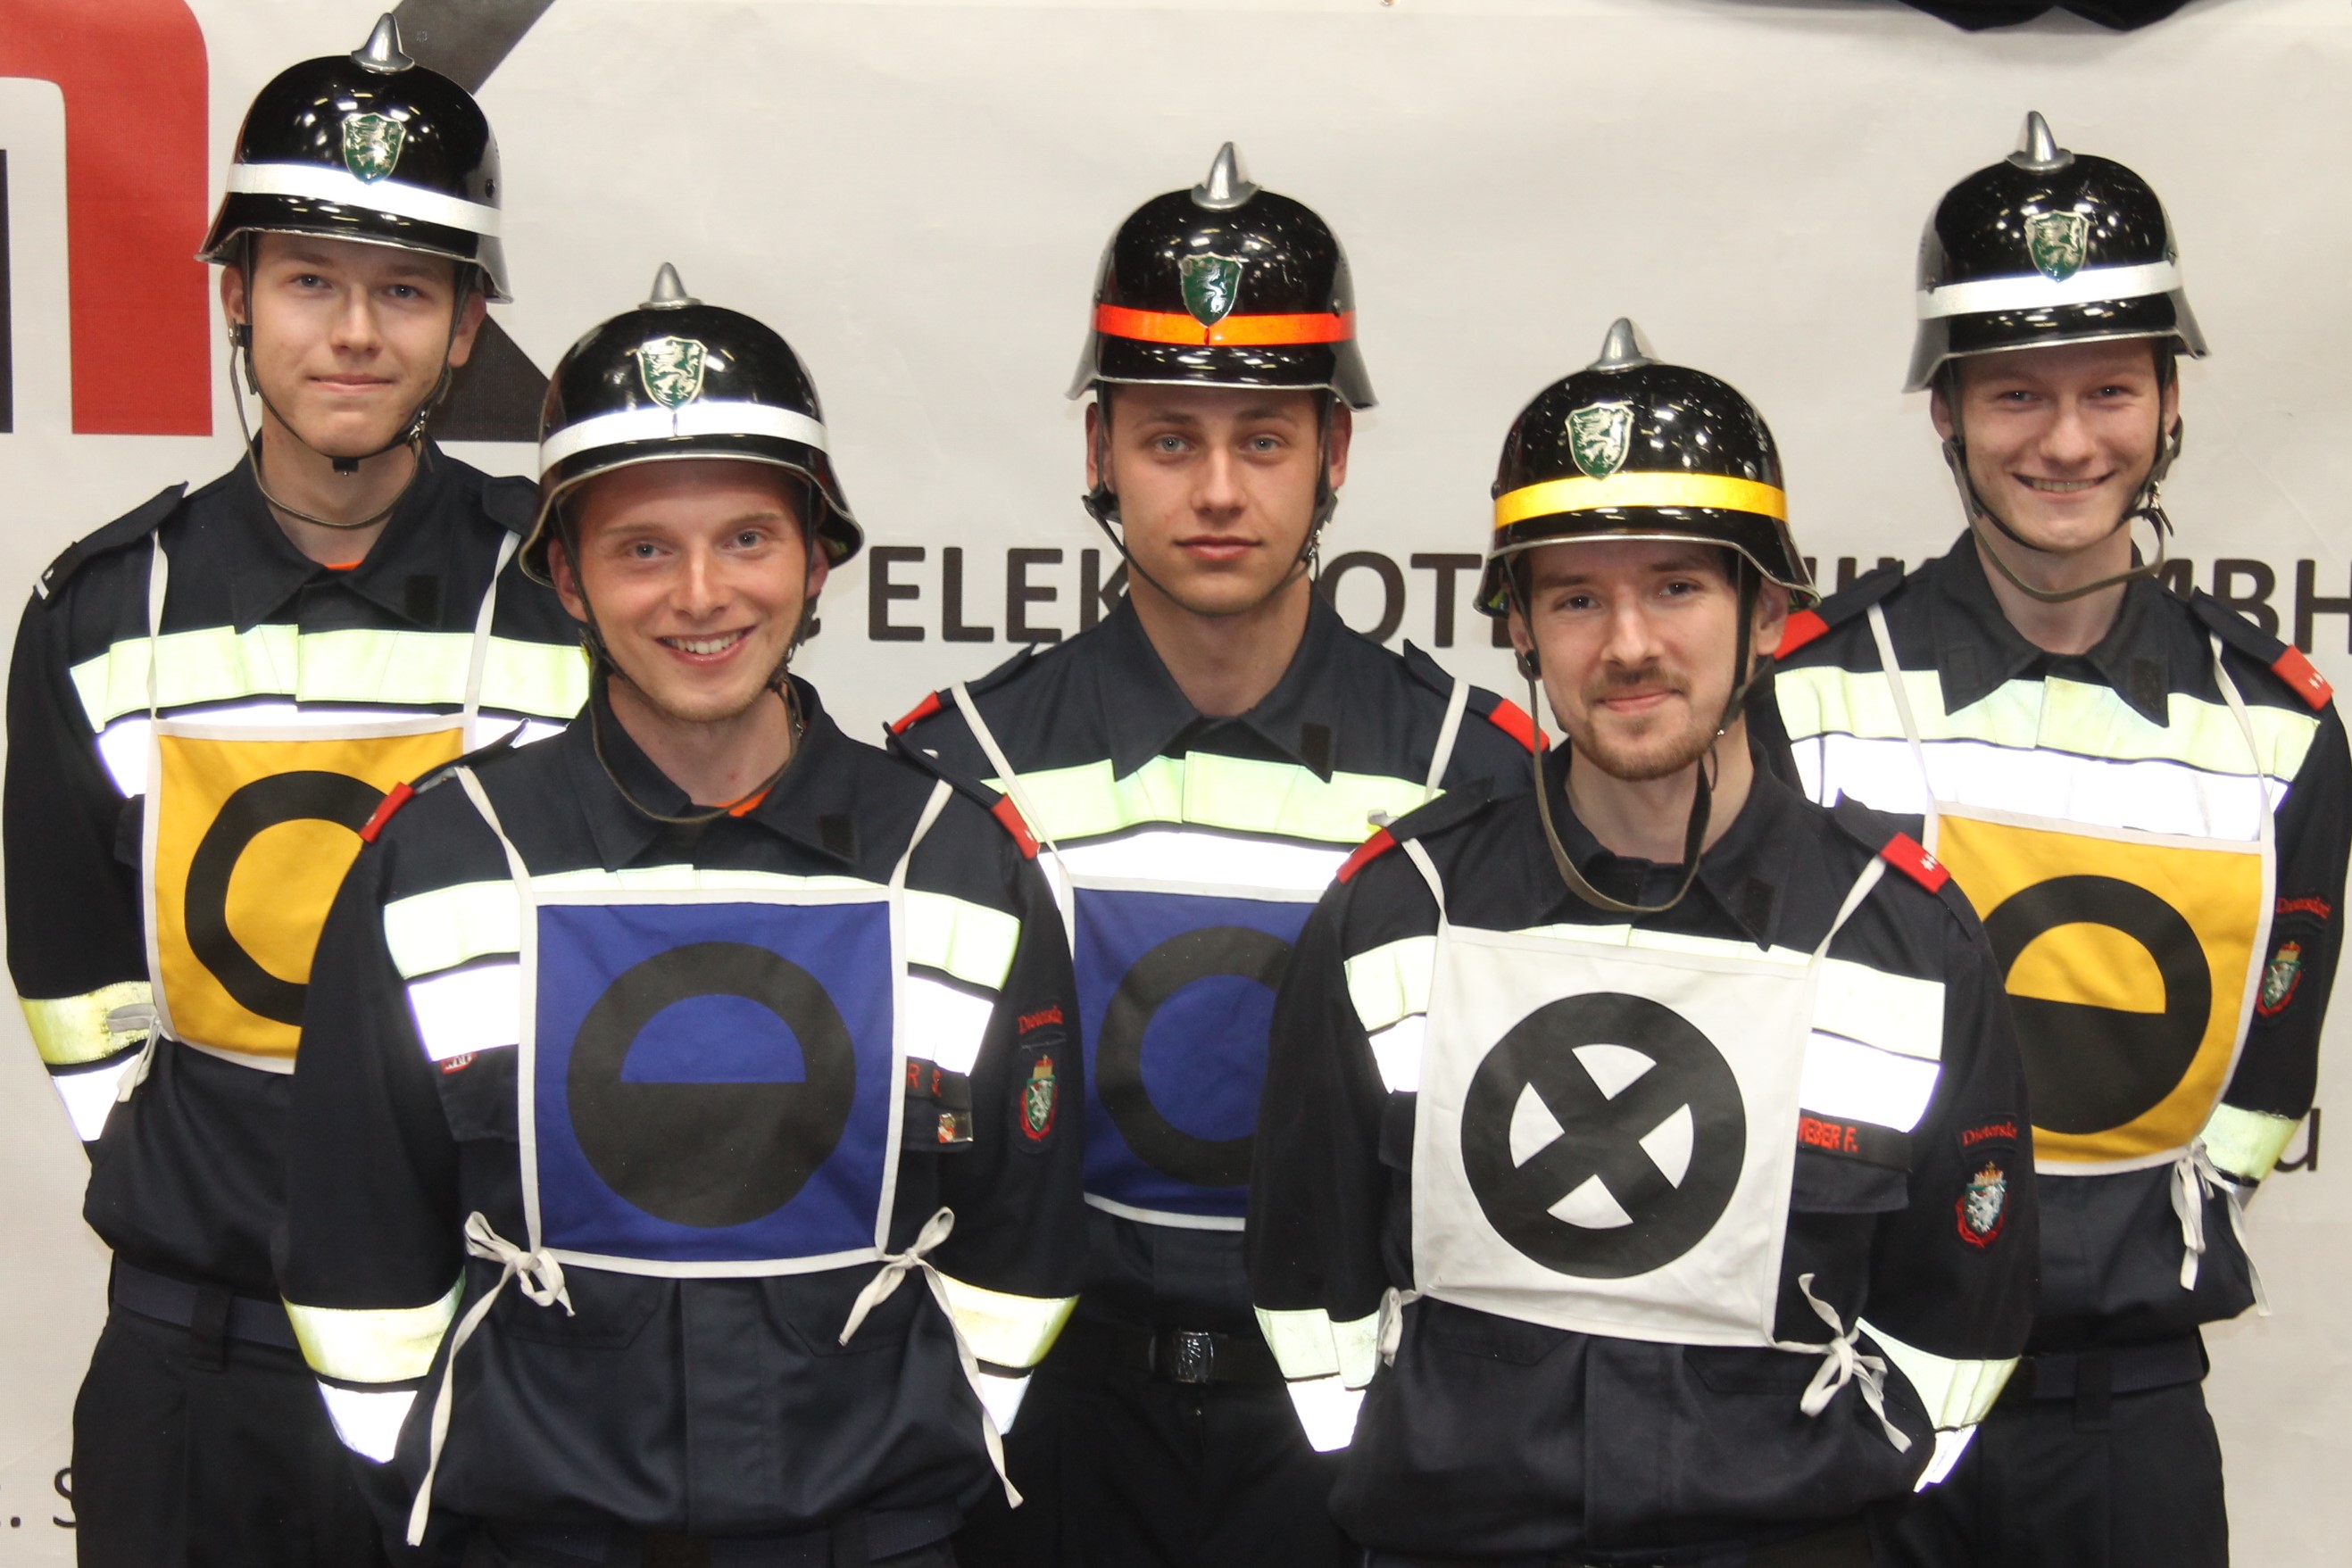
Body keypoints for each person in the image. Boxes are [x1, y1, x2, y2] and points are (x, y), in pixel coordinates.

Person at [276, 269, 1087, 1568]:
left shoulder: (955, 862)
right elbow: (359, 1244)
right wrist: (420, 1479)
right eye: (643, 547)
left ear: (818, 559)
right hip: (528, 1542)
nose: (701, 595)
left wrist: (924, 1452)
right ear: (568, 577)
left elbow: (1023, 1236)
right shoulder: (440, 861)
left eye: (748, 539)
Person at [1249, 321, 2040, 1567]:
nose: (1627, 645)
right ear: (1519, 626)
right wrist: (1410, 1469)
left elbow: (1962, 1315)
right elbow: (1311, 1274)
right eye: (1576, 597)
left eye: (1676, 586)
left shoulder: (1903, 942)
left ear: (1766, 611)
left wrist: (1830, 1491)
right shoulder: (1399, 913)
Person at [894, 144, 1539, 1568]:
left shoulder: (1476, 772)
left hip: (1356, 1430)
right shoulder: (961, 769)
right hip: (1044, 1427)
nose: (1219, 491)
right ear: (1098, 453)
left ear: (1336, 454)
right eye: (1170, 439)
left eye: (1264, 439)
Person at [3, 17, 586, 1564]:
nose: (355, 333)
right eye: (311, 280)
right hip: (197, 1363)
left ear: (466, 329)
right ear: (235, 295)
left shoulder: (570, 599)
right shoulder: (100, 612)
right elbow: (70, 975)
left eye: (406, 290)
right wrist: (202, 1173)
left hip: (500, 1347)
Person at [1756, 113, 2351, 1567]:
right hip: (1849, 1397)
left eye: (2110, 389)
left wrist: (2122, 1246)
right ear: (1946, 411)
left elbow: (2267, 1083)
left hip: (2124, 1421)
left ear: (2170, 402)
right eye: (2018, 392)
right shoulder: (1807, 692)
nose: (2069, 441)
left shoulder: (2281, 725)